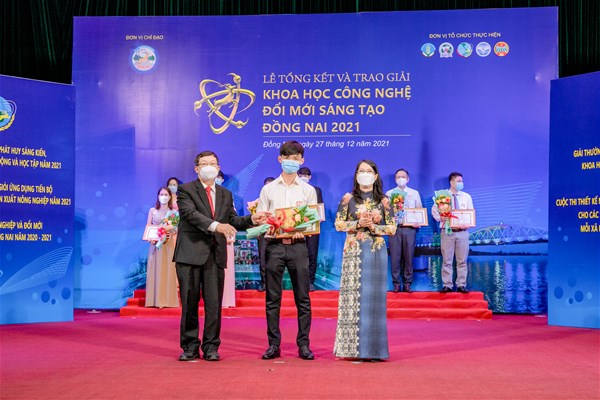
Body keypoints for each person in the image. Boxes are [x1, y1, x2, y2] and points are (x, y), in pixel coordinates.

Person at [173, 151, 268, 362]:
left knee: (214, 304)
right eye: (204, 164)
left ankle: (211, 346)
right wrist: (217, 226)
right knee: (189, 303)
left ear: (218, 168)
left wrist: (252, 219)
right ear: (196, 169)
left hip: (215, 254)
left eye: (213, 163)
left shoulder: (226, 194)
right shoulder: (186, 190)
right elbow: (191, 215)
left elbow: (232, 220)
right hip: (189, 254)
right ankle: (189, 346)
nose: (209, 167)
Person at [256, 141, 317, 361]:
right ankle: (273, 344)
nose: (291, 161)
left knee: (303, 298)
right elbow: (261, 218)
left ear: (302, 160)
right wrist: (268, 225)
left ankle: (304, 344)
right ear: (279, 159)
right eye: (287, 158)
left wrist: (304, 231)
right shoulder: (268, 189)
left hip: (299, 247)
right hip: (274, 247)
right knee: (273, 298)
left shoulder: (308, 190)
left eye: (295, 158)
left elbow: (312, 221)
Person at [334, 160, 396, 361]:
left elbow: (392, 228)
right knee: (353, 299)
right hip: (353, 251)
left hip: (375, 251)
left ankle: (375, 351)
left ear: (376, 176)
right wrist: (357, 223)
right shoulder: (348, 199)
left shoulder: (384, 200)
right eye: (361, 171)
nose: (365, 174)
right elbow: (338, 224)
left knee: (374, 300)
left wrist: (373, 227)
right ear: (356, 175)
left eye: (369, 171)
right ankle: (352, 350)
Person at [432, 172, 474, 294]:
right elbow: (434, 211)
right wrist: (440, 218)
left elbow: (470, 213)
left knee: (462, 260)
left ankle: (461, 285)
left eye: (462, 181)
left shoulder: (467, 197)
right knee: (447, 260)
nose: (461, 183)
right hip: (447, 232)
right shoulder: (442, 196)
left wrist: (468, 223)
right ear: (451, 182)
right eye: (459, 181)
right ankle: (447, 285)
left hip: (463, 232)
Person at [385, 168, 423, 293]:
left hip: (410, 229)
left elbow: (419, 210)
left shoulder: (414, 193)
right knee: (395, 257)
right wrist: (390, 219)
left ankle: (407, 283)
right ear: (395, 179)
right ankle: (396, 284)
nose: (400, 179)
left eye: (403, 177)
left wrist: (419, 222)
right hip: (394, 229)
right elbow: (385, 212)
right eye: (398, 177)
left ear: (408, 179)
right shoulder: (389, 193)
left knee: (409, 256)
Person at [144, 187, 180, 308]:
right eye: (161, 194)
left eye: (166, 194)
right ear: (158, 196)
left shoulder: (173, 212)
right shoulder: (152, 210)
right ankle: (153, 300)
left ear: (170, 197)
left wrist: (169, 231)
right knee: (154, 269)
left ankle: (167, 300)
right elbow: (148, 226)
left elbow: (175, 229)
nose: (163, 197)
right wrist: (150, 237)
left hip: (168, 244)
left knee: (168, 269)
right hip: (155, 244)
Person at [298, 167, 323, 292]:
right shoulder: (293, 190)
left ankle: (310, 282)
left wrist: (319, 218)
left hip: (313, 226)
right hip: (297, 226)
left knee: (312, 253)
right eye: (302, 174)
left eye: (306, 175)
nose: (304, 177)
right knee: (298, 255)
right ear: (298, 175)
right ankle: (299, 282)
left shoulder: (316, 190)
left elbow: (320, 208)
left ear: (310, 177)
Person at [215, 171, 236, 308]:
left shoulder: (227, 195)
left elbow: (233, 218)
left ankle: (227, 300)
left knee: (226, 269)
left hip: (226, 237)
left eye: (219, 177)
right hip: (211, 238)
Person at [256, 177, 275, 292]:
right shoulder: (258, 202)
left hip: (276, 232)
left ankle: (274, 283)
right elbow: (255, 219)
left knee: (274, 259)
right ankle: (264, 282)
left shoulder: (280, 201)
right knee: (262, 257)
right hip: (263, 232)